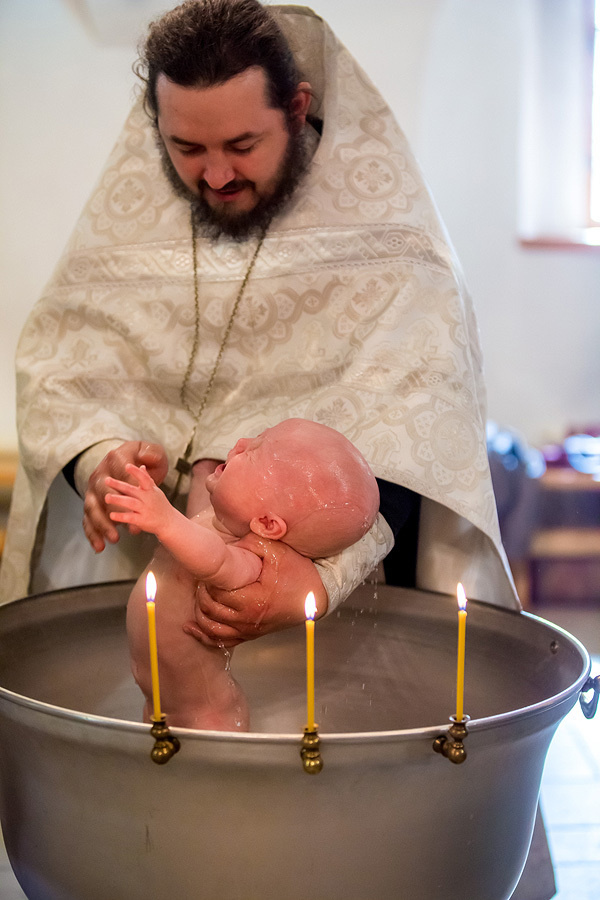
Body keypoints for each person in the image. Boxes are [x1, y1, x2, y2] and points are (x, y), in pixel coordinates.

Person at [104, 418, 379, 729]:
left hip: (208, 716)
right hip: (161, 704)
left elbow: (214, 560)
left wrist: (164, 518)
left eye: (252, 453)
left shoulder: (250, 561)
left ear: (267, 523)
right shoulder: (214, 521)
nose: (239, 443)